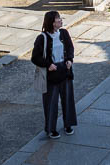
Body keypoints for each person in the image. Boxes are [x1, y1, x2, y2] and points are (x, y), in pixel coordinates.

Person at [31, 11, 77, 139]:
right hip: (51, 74)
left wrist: (70, 59)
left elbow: (70, 48)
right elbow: (35, 58)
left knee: (67, 99)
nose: (60, 21)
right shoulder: (42, 38)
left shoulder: (64, 33)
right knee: (51, 102)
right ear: (51, 23)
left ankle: (68, 124)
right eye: (58, 20)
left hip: (65, 70)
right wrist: (48, 65)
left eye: (60, 19)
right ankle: (51, 129)